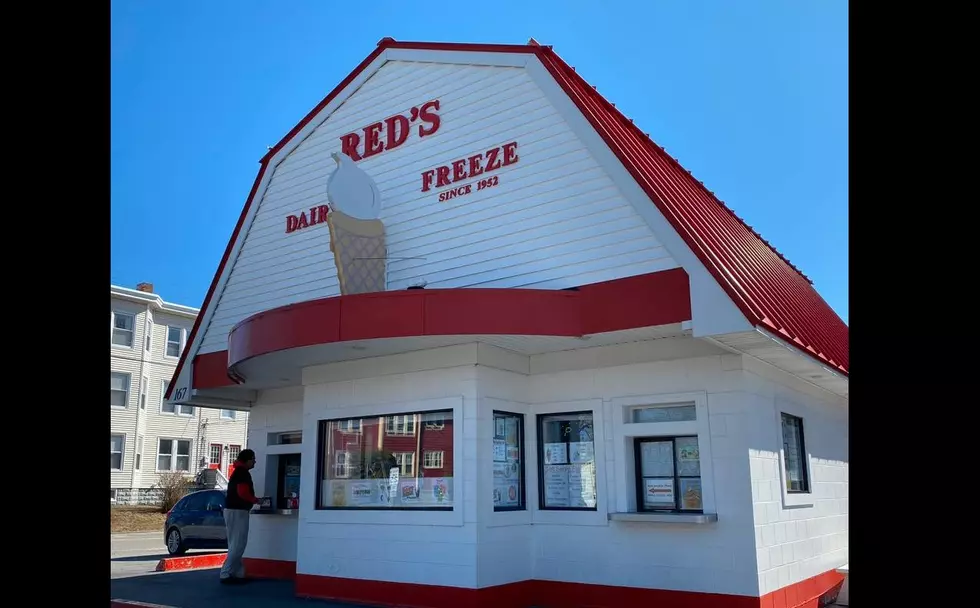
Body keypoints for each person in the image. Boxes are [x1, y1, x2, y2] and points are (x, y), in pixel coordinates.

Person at [219, 448, 258, 585]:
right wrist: (255, 500)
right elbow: (242, 492)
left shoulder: (238, 472)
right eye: (253, 459)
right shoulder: (243, 473)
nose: (255, 461)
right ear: (247, 460)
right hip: (238, 511)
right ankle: (226, 573)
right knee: (239, 543)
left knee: (235, 543)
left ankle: (238, 572)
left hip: (232, 510)